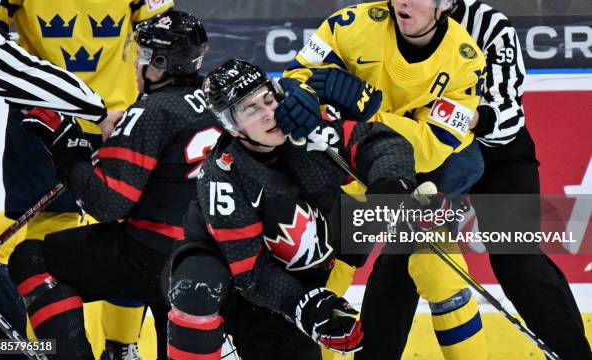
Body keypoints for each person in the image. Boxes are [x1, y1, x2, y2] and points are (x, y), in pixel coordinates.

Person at [357, 0, 592, 359]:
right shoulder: (383, 22)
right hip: (429, 156)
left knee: (518, 260)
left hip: (494, 154)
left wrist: (443, 116)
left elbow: (505, 118)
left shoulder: (491, 27)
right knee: (403, 261)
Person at [278, 0, 488, 358]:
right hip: (344, 171)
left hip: (415, 178)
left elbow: (430, 148)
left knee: (439, 271)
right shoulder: (350, 26)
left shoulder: (466, 63)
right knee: (323, 279)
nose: (400, 0)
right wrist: (300, 97)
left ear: (445, 0)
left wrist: (370, 109)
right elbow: (297, 77)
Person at [163, 58, 443, 359]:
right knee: (196, 288)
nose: (270, 114)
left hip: (294, 267)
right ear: (231, 127)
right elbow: (250, 271)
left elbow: (382, 143)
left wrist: (391, 183)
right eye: (251, 109)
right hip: (236, 278)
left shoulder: (308, 133)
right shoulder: (222, 176)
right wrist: (305, 306)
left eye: (269, 100)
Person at [0, 0, 174, 356]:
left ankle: (122, 348)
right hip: (40, 124)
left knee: (132, 234)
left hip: (120, 119)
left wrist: (152, 114)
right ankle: (55, 349)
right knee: (44, 243)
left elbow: (162, 42)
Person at [7, 10, 218, 360]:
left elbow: (107, 205)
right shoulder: (216, 99)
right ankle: (126, 349)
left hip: (152, 255)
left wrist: (67, 155)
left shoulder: (151, 109)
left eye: (145, 56)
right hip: (209, 258)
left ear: (162, 63)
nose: (137, 64)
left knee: (31, 258)